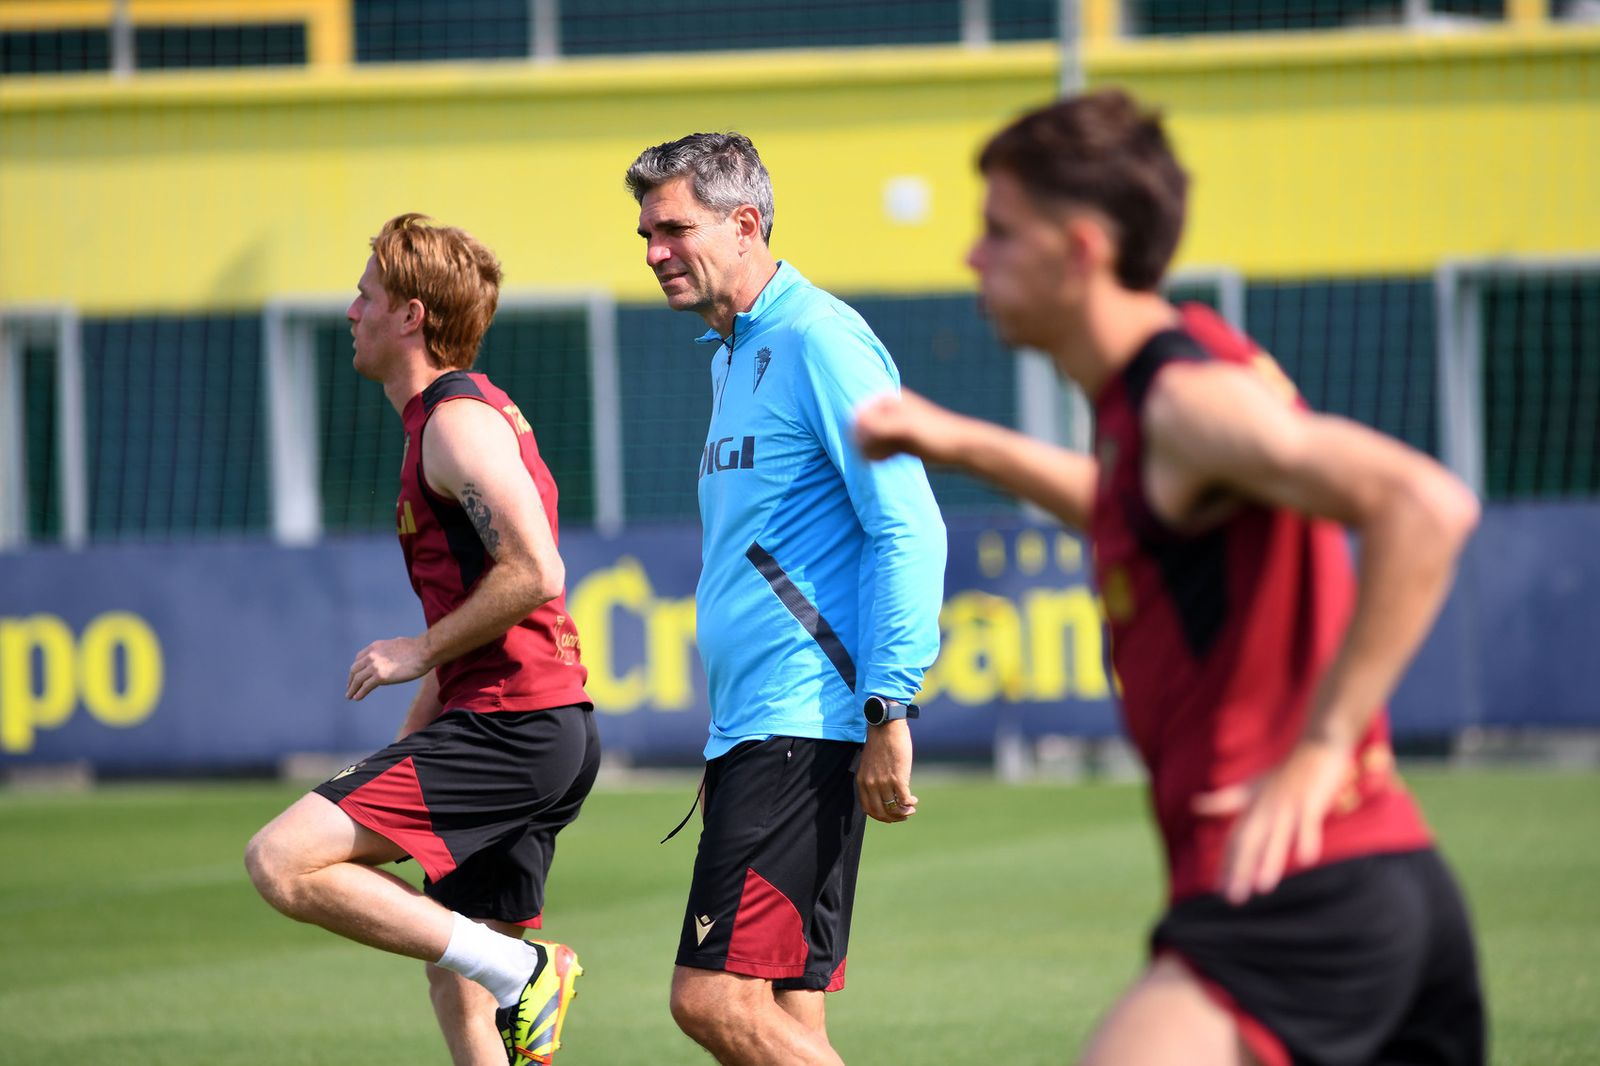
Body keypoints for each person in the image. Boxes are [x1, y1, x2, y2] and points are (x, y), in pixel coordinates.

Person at [854, 90, 1486, 1066]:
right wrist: (958, 440)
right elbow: (1123, 503)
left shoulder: (1186, 400)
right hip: (1371, 881)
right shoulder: (1154, 401)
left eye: (998, 231)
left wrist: (1318, 749)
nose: (972, 257)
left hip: (1298, 901)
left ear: (1079, 251)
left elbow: (1423, 506)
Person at [624, 133, 947, 1065]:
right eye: (645, 233)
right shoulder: (731, 357)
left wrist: (891, 702)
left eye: (673, 229)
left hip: (800, 730)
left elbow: (908, 524)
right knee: (788, 1014)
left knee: (714, 999)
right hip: (760, 730)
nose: (653, 252)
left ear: (744, 224)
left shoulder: (819, 338)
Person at [245, 213, 596, 1066]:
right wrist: (416, 732)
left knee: (281, 861)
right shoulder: (455, 420)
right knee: (456, 980)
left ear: (409, 315)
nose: (351, 311)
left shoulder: (454, 422)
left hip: (514, 724)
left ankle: (526, 968)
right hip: (530, 722)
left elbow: (537, 572)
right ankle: (514, 972)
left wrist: (415, 651)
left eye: (365, 294)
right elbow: (487, 591)